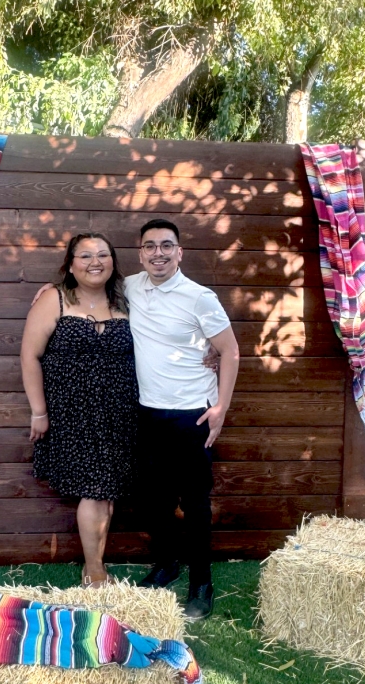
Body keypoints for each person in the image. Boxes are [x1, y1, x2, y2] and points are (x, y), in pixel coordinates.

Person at [127, 219, 239, 620]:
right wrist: (49, 291)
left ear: (180, 252)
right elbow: (83, 292)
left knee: (195, 504)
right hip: (147, 413)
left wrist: (220, 409)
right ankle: (168, 564)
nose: (158, 253)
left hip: (193, 414)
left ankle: (202, 582)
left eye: (167, 246)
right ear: (140, 252)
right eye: (150, 246)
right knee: (155, 501)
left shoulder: (199, 297)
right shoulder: (129, 287)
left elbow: (229, 351)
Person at [20, 233, 138, 588]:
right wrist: (39, 412)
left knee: (107, 490)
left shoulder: (127, 300)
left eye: (103, 254)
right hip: (72, 412)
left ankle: (94, 564)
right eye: (85, 255)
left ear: (113, 261)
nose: (94, 261)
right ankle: (96, 572)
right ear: (70, 264)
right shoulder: (53, 299)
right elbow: (30, 356)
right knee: (95, 489)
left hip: (120, 412)